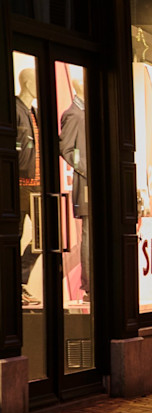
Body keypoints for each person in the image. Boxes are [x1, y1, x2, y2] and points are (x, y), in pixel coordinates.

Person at [59, 74, 91, 302]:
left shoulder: (84, 113)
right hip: (87, 185)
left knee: (93, 235)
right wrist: (88, 169)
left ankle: (94, 281)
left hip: (92, 183)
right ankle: (89, 284)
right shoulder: (73, 114)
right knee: (88, 236)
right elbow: (67, 149)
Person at [15, 67, 41, 305]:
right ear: (26, 83)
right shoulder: (16, 110)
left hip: (38, 186)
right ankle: (15, 287)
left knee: (44, 236)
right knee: (17, 234)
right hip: (21, 184)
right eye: (35, 80)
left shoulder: (34, 112)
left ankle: (20, 281)